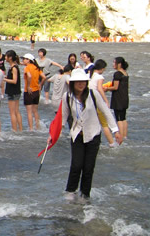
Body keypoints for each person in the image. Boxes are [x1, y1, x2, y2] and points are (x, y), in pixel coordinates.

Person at [50, 68, 122, 200]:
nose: (81, 84)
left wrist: (115, 130)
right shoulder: (67, 96)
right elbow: (63, 117)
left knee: (88, 168)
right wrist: (53, 135)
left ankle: (85, 195)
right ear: (72, 83)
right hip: (77, 135)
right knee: (76, 165)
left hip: (93, 135)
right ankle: (71, 191)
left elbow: (106, 112)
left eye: (83, 81)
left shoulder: (93, 94)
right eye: (78, 81)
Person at [88, 59, 116, 146]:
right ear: (102, 68)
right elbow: (100, 89)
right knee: (104, 124)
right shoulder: (99, 77)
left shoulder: (89, 75)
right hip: (97, 102)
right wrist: (106, 101)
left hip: (88, 101)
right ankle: (112, 143)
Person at [105, 57, 129, 139]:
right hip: (125, 97)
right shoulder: (125, 73)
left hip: (118, 98)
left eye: (114, 63)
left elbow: (115, 87)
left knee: (118, 119)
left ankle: (120, 137)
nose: (113, 64)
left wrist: (106, 88)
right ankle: (125, 136)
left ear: (119, 64)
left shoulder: (117, 74)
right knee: (123, 118)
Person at [22, 53, 46, 131]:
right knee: (35, 111)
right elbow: (44, 77)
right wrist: (40, 85)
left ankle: (31, 128)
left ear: (28, 60)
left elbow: (29, 76)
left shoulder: (27, 68)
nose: (23, 60)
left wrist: (28, 86)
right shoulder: (37, 68)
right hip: (36, 91)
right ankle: (37, 127)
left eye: (24, 59)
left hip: (29, 91)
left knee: (29, 112)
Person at [3, 50, 22, 133]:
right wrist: (6, 77)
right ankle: (20, 129)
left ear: (10, 58)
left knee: (12, 112)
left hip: (12, 92)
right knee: (16, 111)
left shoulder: (14, 68)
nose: (5, 58)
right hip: (16, 91)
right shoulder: (14, 67)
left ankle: (14, 130)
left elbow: (14, 81)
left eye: (6, 56)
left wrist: (4, 79)